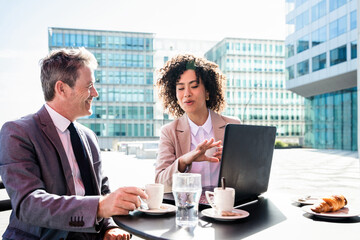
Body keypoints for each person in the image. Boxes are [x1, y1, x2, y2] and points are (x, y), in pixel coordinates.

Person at [0, 47, 148, 240]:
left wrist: (109, 226)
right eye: (89, 86)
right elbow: (29, 204)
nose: (95, 93)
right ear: (61, 88)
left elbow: (102, 190)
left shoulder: (88, 136)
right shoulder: (18, 132)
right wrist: (100, 207)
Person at [155, 54, 240, 192]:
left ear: (207, 92)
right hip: (188, 207)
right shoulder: (169, 131)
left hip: (223, 207)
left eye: (194, 86)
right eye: (181, 88)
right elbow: (160, 182)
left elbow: (249, 175)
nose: (187, 93)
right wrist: (183, 161)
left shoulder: (233, 126)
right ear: (175, 96)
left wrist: (233, 161)